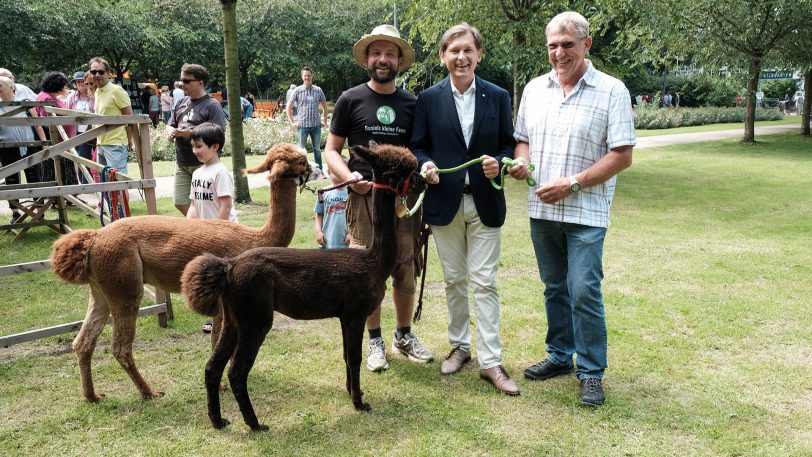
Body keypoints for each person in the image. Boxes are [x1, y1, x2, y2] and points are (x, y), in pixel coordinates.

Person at [508, 11, 635, 406]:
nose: (559, 53)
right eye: (552, 45)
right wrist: (522, 161)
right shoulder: (534, 89)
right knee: (554, 288)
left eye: (567, 44)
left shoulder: (612, 91)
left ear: (586, 44)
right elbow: (522, 139)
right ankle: (561, 355)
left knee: (583, 290)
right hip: (542, 210)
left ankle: (592, 370)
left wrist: (574, 183)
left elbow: (622, 155)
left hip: (587, 214)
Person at [411, 23, 518, 395]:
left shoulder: (499, 96)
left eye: (468, 50)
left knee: (485, 282)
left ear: (479, 54)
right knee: (455, 279)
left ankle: (491, 361)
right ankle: (460, 346)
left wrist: (500, 163)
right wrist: (424, 164)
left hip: (486, 199)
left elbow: (509, 144)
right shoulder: (427, 99)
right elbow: (419, 146)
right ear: (443, 56)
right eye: (453, 50)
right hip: (445, 202)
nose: (461, 57)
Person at [324, 24, 434, 372]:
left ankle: (403, 335)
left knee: (404, 266)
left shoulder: (414, 104)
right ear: (367, 59)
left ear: (399, 60)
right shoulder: (350, 99)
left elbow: (421, 151)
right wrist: (348, 177)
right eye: (376, 53)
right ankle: (374, 342)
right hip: (363, 198)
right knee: (366, 270)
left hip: (402, 202)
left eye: (390, 53)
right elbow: (331, 150)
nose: (383, 59)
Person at [166, 63, 227, 216]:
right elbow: (170, 123)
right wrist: (170, 131)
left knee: (208, 204)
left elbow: (219, 133)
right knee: (180, 202)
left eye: (187, 81)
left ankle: (206, 230)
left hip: (203, 163)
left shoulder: (213, 105)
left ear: (201, 83)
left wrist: (191, 134)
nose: (182, 84)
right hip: (182, 161)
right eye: (181, 80)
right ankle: (202, 227)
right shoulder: (181, 102)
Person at [0, 76, 47, 223]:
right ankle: (15, 213)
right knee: (11, 179)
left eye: (0, 85)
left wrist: (44, 143)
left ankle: (39, 211)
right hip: (7, 149)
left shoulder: (25, 103)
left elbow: (38, 124)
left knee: (34, 177)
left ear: (11, 88)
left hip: (30, 146)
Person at [90, 57, 133, 174]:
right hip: (101, 144)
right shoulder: (98, 91)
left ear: (108, 73)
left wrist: (130, 141)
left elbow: (130, 118)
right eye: (93, 72)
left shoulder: (116, 91)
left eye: (101, 72)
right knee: (105, 185)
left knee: (118, 185)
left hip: (116, 145)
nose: (97, 74)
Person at [185, 122, 237, 222]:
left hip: (224, 231)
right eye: (193, 146)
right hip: (206, 231)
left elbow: (226, 206)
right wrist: (187, 225)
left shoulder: (220, 172)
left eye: (198, 146)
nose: (194, 151)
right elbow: (194, 205)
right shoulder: (196, 173)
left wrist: (217, 230)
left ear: (214, 147)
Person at [36, 71, 78, 185]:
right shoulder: (46, 98)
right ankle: (63, 196)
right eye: (63, 84)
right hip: (58, 142)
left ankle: (66, 197)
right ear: (56, 85)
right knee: (60, 169)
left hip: (63, 141)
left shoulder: (48, 96)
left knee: (65, 168)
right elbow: (47, 122)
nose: (65, 87)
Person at [286, 66, 329, 171]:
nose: (307, 77)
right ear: (302, 76)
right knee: (301, 151)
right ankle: (301, 170)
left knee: (317, 150)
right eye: (305, 75)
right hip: (302, 126)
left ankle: (319, 171)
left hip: (316, 126)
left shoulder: (318, 90)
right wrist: (292, 122)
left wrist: (324, 120)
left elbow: (325, 107)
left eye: (308, 75)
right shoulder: (297, 91)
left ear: (312, 76)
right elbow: (288, 107)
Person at [66, 71, 96, 183]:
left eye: (82, 81)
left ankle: (92, 182)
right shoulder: (72, 97)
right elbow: (66, 113)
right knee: (82, 157)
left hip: (94, 130)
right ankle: (85, 183)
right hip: (78, 132)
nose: (80, 84)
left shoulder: (93, 94)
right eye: (77, 82)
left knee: (91, 157)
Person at [314, 165, 350, 249]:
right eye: (335, 172)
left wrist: (351, 234)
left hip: (347, 242)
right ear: (329, 173)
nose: (338, 175)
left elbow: (356, 218)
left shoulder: (352, 194)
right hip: (327, 242)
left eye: (341, 172)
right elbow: (319, 214)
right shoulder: (323, 192)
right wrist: (318, 231)